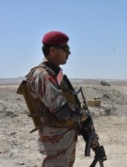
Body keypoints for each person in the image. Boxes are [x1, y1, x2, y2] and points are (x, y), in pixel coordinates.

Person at [24, 31, 90, 167]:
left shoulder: (55, 73)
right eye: (65, 49)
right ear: (53, 50)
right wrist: (83, 116)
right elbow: (61, 110)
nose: (69, 53)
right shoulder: (42, 75)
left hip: (64, 136)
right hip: (56, 138)